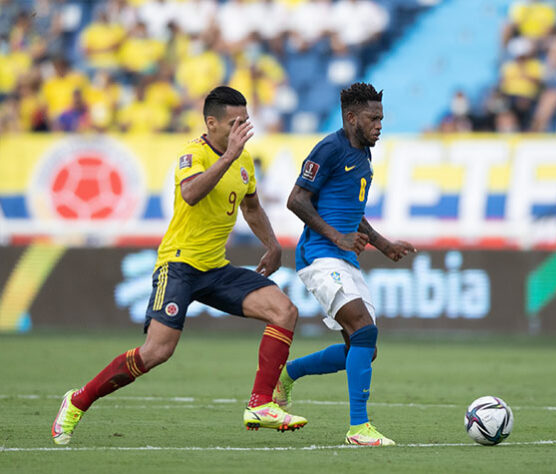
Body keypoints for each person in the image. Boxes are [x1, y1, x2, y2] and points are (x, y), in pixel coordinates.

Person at [52, 86, 307, 445]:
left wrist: (272, 244)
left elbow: (251, 207)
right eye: (235, 123)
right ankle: (78, 400)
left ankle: (260, 404)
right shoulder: (193, 154)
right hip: (179, 265)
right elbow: (191, 193)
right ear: (211, 122)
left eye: (246, 122)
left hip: (215, 268)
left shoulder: (244, 160)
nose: (242, 130)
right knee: (157, 352)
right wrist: (229, 155)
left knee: (285, 311)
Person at [277, 82, 415, 446]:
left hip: (344, 257)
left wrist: (382, 244)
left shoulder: (364, 155)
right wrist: (336, 237)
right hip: (319, 256)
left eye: (382, 118)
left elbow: (354, 212)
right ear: (351, 117)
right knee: (363, 330)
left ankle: (287, 374)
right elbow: (296, 200)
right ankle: (358, 428)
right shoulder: (329, 148)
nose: (379, 125)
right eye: (373, 118)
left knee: (364, 349)